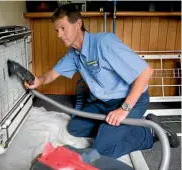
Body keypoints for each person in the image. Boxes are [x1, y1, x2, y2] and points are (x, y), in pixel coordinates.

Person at [24, 4, 179, 158]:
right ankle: (116, 127)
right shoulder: (73, 54)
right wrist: (37, 81)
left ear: (78, 24)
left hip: (131, 100)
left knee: (102, 148)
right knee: (75, 128)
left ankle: (150, 132)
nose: (59, 34)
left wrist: (123, 110)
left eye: (63, 28)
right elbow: (51, 75)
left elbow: (145, 72)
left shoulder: (104, 42)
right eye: (56, 30)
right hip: (104, 103)